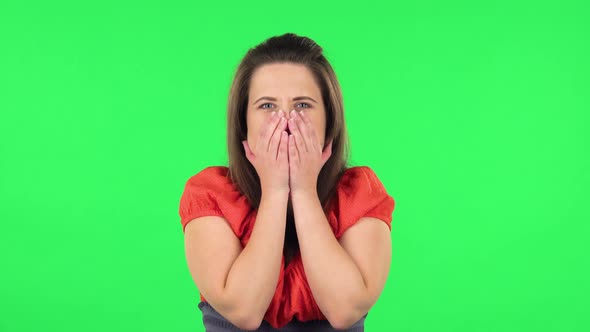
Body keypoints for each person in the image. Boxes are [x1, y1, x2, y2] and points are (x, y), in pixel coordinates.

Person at [179, 32, 396, 331]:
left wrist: (304, 190)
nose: (286, 121)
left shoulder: (360, 193)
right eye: (267, 106)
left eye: (303, 105)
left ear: (329, 120)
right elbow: (243, 312)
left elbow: (345, 310)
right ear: (244, 124)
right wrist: (276, 190)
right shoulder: (209, 194)